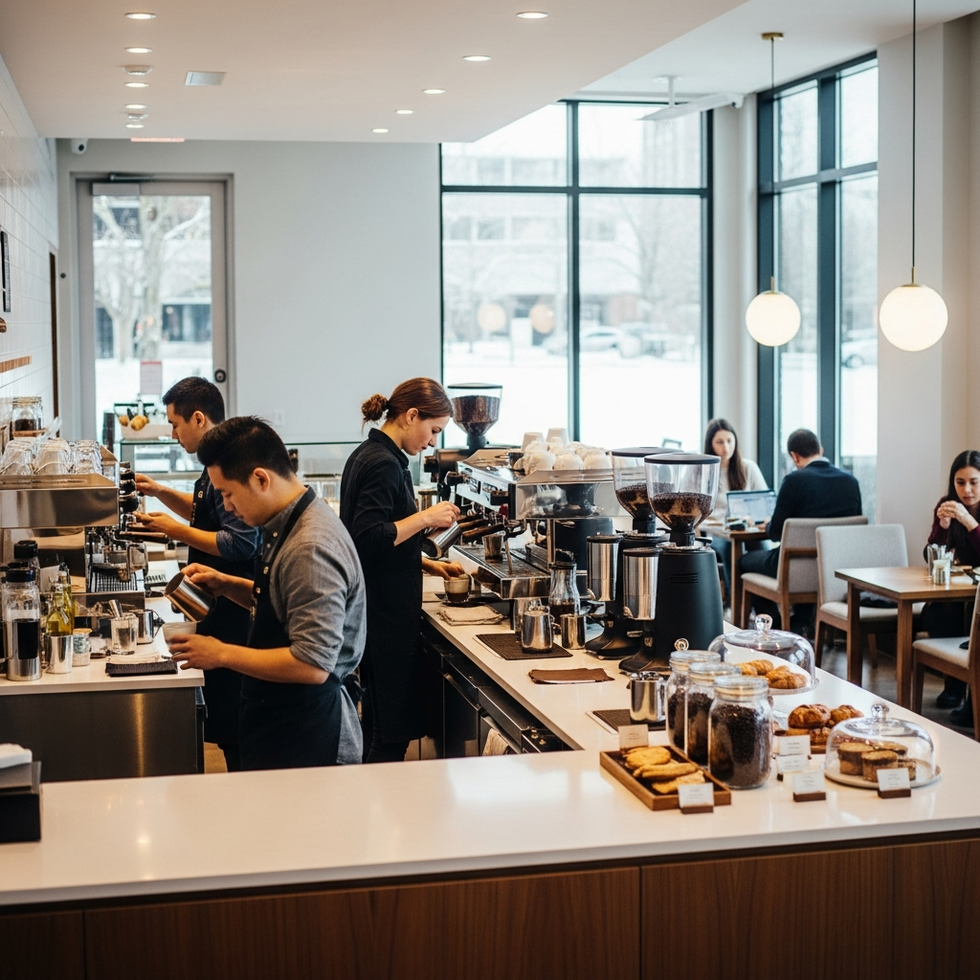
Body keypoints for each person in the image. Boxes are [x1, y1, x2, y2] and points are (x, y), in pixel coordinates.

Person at [168, 416, 365, 770]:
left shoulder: (310, 546)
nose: (226, 507)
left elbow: (312, 663)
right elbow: (286, 604)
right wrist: (229, 585)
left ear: (260, 478)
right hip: (285, 723)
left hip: (311, 737)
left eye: (227, 493)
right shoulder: (287, 523)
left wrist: (221, 653)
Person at [133, 379, 261, 771]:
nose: (173, 435)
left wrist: (173, 530)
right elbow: (202, 508)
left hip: (236, 614)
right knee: (226, 727)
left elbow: (241, 543)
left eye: (175, 424)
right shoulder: (212, 464)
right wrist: (159, 492)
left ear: (199, 418)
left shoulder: (228, 462)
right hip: (216, 607)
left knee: (237, 728)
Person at [340, 378, 463, 764]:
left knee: (377, 724)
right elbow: (366, 537)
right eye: (433, 430)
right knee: (391, 735)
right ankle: (373, 810)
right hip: (384, 617)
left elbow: (382, 539)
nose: (431, 442)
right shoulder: (383, 465)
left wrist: (425, 561)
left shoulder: (371, 454)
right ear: (411, 416)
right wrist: (426, 516)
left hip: (374, 610)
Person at [739, 428, 862, 631]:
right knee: (807, 564)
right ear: (820, 450)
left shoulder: (794, 481)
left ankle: (776, 625)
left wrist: (768, 523)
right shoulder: (851, 481)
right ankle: (800, 622)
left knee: (743, 561)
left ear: (794, 456)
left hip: (791, 569)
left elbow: (776, 533)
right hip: (835, 571)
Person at [923, 450, 980, 722]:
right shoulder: (947, 504)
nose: (967, 490)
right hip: (962, 587)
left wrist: (969, 522)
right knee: (939, 611)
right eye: (960, 482)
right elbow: (930, 555)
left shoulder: (970, 512)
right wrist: (943, 527)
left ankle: (969, 696)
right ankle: (954, 684)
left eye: (974, 482)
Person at [703, 418, 768, 603]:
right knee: (730, 548)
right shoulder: (705, 472)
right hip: (717, 533)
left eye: (730, 441)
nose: (726, 448)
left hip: (747, 530)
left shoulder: (748, 468)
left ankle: (765, 608)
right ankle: (737, 604)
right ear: (710, 445)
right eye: (720, 442)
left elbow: (765, 501)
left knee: (762, 548)